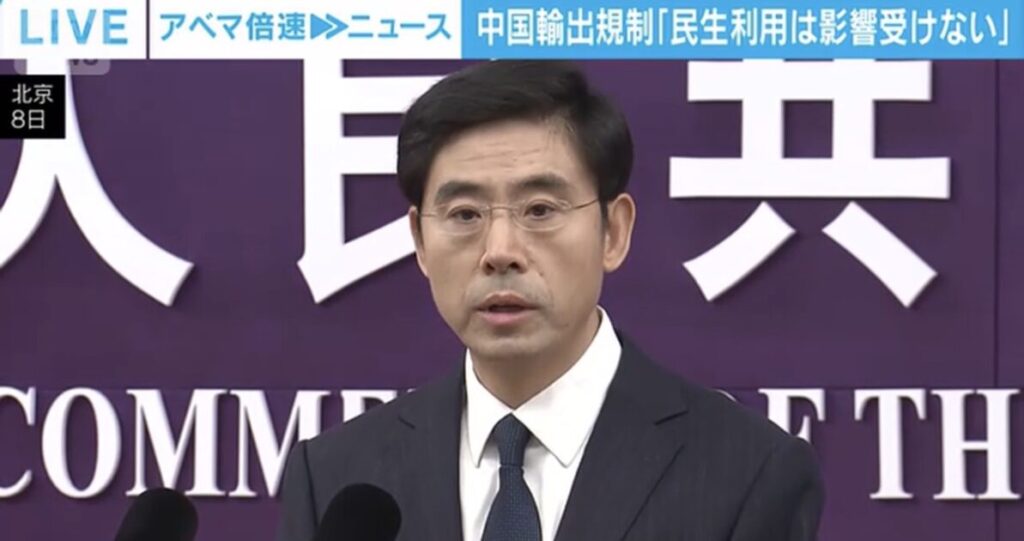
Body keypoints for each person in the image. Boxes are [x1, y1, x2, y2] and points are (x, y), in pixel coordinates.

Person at [275, 60, 824, 541]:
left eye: (539, 210)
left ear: (614, 232)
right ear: (420, 240)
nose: (500, 252)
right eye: (464, 214)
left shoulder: (747, 472)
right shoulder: (335, 477)